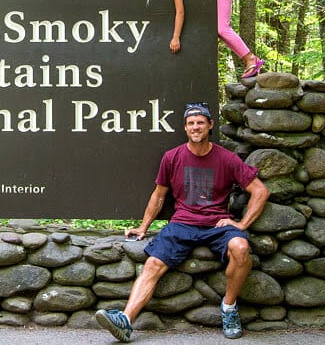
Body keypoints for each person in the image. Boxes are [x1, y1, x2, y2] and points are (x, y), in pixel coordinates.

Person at [95, 102, 269, 342]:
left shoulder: (227, 159)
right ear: (185, 128)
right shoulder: (172, 157)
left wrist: (241, 225)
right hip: (182, 224)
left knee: (241, 248)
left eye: (200, 122)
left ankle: (228, 308)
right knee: (153, 263)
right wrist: (143, 227)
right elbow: (159, 195)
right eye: (191, 123)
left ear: (210, 125)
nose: (195, 127)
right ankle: (126, 320)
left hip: (217, 225)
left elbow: (260, 191)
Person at [136, 0, 265, 78]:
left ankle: (250, 58)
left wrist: (175, 37)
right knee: (219, 32)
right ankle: (248, 58)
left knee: (222, 29)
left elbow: (180, 13)